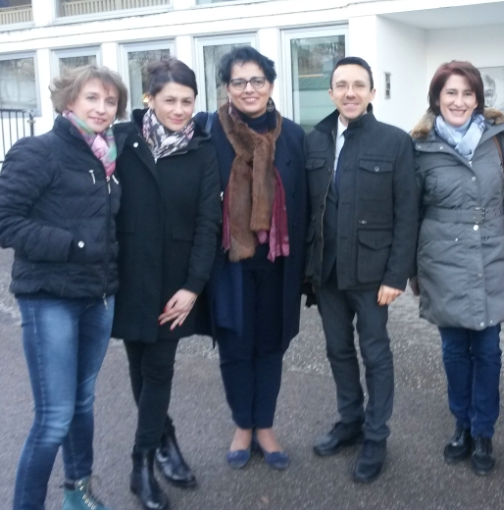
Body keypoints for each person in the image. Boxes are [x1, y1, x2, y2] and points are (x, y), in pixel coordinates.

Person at [0, 65, 127, 510]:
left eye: (110, 101)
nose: (102, 108)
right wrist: (73, 245)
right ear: (69, 100)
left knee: (82, 403)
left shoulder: (107, 157)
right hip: (49, 299)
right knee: (54, 417)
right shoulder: (38, 152)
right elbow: (5, 221)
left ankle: (78, 492)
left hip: (98, 297)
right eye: (92, 97)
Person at [112, 59, 220, 509]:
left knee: (158, 369)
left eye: (187, 101)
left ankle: (141, 464)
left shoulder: (202, 150)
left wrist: (193, 286)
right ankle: (165, 435)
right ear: (149, 99)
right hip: (126, 278)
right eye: (170, 100)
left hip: (174, 283)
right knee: (138, 365)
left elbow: (208, 223)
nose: (179, 109)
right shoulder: (119, 141)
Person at [306, 56, 418, 484]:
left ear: (372, 93)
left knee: (375, 354)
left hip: (373, 273)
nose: (349, 93)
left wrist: (396, 275)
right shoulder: (314, 141)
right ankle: (350, 421)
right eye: (341, 85)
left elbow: (408, 213)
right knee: (338, 351)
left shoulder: (395, 142)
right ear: (331, 92)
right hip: (328, 272)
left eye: (358, 85)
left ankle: (376, 436)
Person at [204, 46, 307, 471]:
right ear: (227, 88)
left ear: (271, 85)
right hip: (227, 263)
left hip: (279, 262)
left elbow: (306, 200)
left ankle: (264, 425)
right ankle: (242, 426)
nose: (249, 89)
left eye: (257, 80)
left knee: (270, 345)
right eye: (239, 81)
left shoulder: (293, 135)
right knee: (235, 345)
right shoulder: (207, 131)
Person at [409, 60, 504, 476]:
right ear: (436, 98)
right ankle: (462, 425)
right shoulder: (418, 147)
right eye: (450, 93)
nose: (458, 101)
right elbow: (410, 211)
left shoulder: (499, 140)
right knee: (454, 351)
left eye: (467, 93)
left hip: (490, 255)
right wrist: (412, 270)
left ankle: (484, 430)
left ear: (478, 99)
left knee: (488, 351)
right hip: (442, 259)